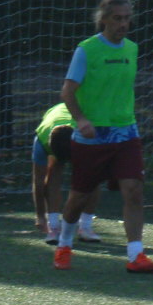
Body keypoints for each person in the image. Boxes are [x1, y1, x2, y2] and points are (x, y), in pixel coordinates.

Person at [53, 0, 153, 273]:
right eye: (117, 18)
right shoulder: (87, 50)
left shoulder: (132, 49)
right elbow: (67, 91)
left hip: (126, 133)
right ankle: (64, 244)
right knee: (79, 196)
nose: (123, 24)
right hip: (92, 138)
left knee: (134, 190)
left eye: (127, 18)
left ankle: (135, 255)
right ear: (103, 19)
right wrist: (81, 120)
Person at [33, 103, 102, 245]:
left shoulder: (88, 136)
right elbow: (38, 182)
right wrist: (40, 216)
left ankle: (86, 227)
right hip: (55, 119)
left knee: (92, 177)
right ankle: (53, 227)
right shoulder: (41, 141)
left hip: (83, 123)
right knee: (53, 172)